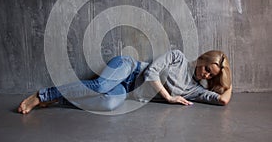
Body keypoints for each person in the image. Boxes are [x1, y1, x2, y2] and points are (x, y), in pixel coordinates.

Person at [18, 49, 232, 114]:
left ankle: (57, 101)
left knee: (109, 104)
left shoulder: (193, 89)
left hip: (127, 90)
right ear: (202, 59)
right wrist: (169, 98)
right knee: (101, 85)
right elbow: (151, 74)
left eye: (211, 75)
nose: (206, 75)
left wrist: (227, 82)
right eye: (207, 69)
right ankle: (42, 95)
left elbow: (221, 100)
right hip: (128, 68)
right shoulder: (177, 57)